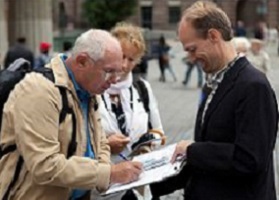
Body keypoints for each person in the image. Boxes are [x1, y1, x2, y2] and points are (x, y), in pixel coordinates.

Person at [150, 2, 278, 200]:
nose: (190, 58)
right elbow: (209, 154)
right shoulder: (212, 82)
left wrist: (192, 150)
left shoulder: (253, 86)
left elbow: (250, 159)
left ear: (213, 36)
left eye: (192, 49)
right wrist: (149, 184)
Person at [0, 29, 143, 200]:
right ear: (82, 61)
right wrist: (109, 173)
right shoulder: (39, 90)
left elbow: (101, 142)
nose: (115, 79)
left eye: (117, 72)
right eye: (109, 71)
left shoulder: (90, 90)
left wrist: (105, 174)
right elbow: (45, 166)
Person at [93, 23, 165, 200]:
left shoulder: (142, 89)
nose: (124, 65)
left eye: (131, 59)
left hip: (137, 186)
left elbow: (158, 133)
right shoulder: (91, 89)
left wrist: (145, 146)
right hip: (102, 189)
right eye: (122, 56)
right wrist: (105, 145)